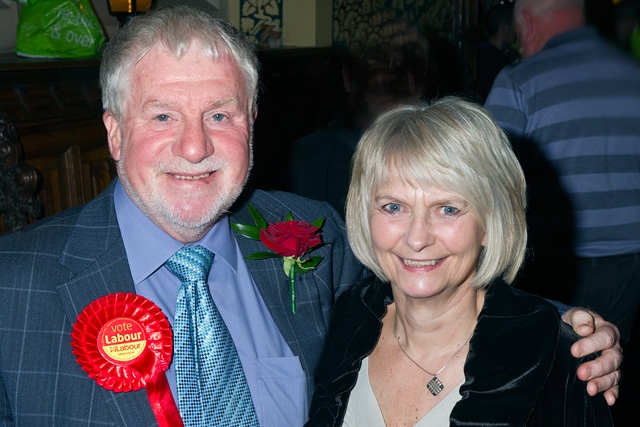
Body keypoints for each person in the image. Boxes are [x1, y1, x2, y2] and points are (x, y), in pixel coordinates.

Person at [0, 5, 621, 427]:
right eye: (162, 116)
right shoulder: (12, 288)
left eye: (220, 114)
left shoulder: (314, 236)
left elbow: (429, 277)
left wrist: (563, 329)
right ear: (112, 133)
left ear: (252, 124)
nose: (195, 147)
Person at [306, 97, 614, 426]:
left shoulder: (555, 359)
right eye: (394, 207)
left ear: (489, 224)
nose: (417, 238)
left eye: (448, 209)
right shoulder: (349, 320)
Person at [484, 0, 640, 345]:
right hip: (631, 262)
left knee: (555, 367)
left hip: (556, 263)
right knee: (611, 361)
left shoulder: (519, 81)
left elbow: (486, 178)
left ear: (525, 23)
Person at [288, 14, 428, 218]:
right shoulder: (313, 159)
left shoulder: (444, 151)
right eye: (377, 60)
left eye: (406, 64)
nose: (392, 75)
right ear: (348, 77)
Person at [475, 2, 519, 101]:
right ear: (505, 27)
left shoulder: (479, 53)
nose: (516, 31)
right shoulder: (495, 59)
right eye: (514, 26)